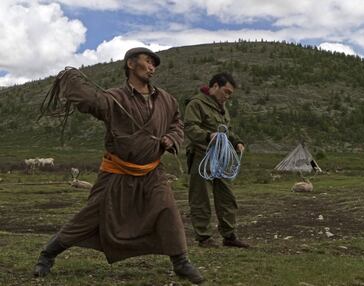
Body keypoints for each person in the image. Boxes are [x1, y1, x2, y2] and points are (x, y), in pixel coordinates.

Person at [33, 47, 204, 284]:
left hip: (152, 172)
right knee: (90, 217)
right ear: (131, 64)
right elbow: (91, 102)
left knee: (167, 210)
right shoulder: (114, 98)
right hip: (117, 172)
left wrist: (171, 139)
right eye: (147, 61)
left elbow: (177, 123)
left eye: (154, 64)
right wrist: (70, 80)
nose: (152, 67)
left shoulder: (166, 100)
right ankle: (47, 254)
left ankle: (181, 262)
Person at [184, 72, 249, 248]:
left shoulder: (222, 108)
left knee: (227, 198)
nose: (227, 97)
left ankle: (229, 236)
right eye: (226, 92)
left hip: (221, 158)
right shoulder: (196, 104)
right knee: (201, 198)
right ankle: (204, 238)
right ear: (214, 87)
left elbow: (226, 130)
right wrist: (207, 136)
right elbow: (189, 127)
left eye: (230, 94)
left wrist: (237, 141)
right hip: (201, 157)